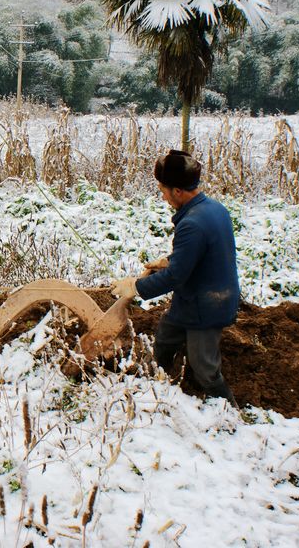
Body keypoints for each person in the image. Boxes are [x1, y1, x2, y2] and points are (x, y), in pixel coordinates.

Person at [111, 150, 240, 406]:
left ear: (178, 191)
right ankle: (154, 386)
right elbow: (201, 255)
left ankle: (229, 409)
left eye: (163, 190)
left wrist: (135, 287)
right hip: (197, 295)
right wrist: (169, 260)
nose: (162, 196)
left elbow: (175, 277)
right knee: (166, 338)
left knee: (204, 367)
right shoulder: (213, 209)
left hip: (207, 304)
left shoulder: (192, 224)